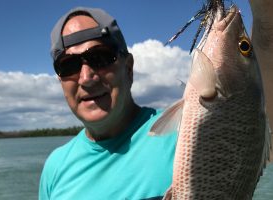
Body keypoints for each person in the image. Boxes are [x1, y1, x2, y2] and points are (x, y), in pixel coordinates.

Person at [39, 6, 177, 200]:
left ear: (128, 68)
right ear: (61, 82)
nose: (86, 78)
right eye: (68, 66)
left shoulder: (183, 134)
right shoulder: (55, 167)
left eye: (100, 57)